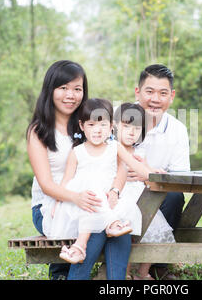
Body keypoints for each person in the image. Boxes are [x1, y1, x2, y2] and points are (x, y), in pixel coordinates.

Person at [26, 61, 129, 280]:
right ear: (50, 90)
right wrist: (77, 197)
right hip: (50, 205)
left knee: (115, 218)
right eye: (63, 88)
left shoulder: (89, 123)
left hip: (93, 199)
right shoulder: (39, 131)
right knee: (98, 221)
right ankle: (67, 275)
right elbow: (46, 184)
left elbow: (120, 162)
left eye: (77, 89)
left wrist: (115, 191)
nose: (70, 95)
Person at [41, 98, 152, 271]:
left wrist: (155, 174)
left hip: (106, 200)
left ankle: (79, 247)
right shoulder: (77, 152)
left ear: (111, 127)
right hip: (83, 201)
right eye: (91, 125)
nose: (97, 131)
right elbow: (67, 180)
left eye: (102, 125)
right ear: (82, 126)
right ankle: (109, 225)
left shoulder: (114, 147)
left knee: (98, 194)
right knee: (91, 189)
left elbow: (136, 165)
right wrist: (57, 201)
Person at [131, 64, 190, 279]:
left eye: (163, 93)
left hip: (158, 192)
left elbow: (181, 177)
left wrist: (150, 176)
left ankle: (157, 264)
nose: (155, 99)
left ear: (171, 96)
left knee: (175, 196)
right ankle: (119, 266)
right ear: (137, 92)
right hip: (123, 190)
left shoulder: (177, 130)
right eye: (150, 91)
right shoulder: (120, 120)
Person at [112, 103, 175, 280]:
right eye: (126, 126)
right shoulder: (112, 149)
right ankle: (125, 272)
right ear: (115, 126)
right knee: (129, 236)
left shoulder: (139, 150)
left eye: (137, 128)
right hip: (123, 197)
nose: (132, 132)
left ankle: (143, 272)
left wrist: (154, 171)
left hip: (141, 196)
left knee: (153, 232)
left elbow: (146, 172)